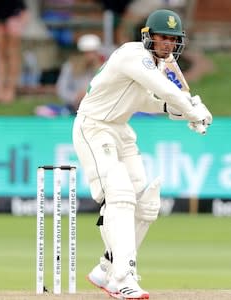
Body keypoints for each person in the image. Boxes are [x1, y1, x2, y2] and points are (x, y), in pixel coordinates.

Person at [72, 9, 212, 299]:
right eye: (163, 38)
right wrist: (191, 109)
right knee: (120, 195)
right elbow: (166, 90)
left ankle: (106, 267)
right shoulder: (132, 56)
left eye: (173, 40)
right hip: (94, 127)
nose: (168, 45)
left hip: (121, 129)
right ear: (148, 36)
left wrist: (172, 109)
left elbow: (145, 100)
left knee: (145, 203)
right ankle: (122, 277)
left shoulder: (159, 63)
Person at [56, 34, 106, 114]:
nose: (90, 56)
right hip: (73, 109)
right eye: (87, 52)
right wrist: (76, 97)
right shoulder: (69, 67)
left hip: (98, 109)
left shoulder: (104, 68)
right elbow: (61, 90)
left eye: (93, 52)